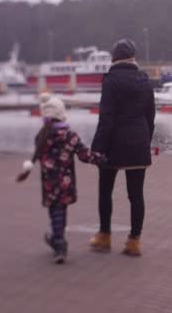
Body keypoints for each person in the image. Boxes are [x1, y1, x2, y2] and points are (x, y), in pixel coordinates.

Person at [17, 93, 106, 264]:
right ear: (61, 113)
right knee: (61, 210)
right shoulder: (69, 135)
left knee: (54, 211)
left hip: (49, 182)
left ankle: (58, 241)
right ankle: (58, 241)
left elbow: (36, 156)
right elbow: (85, 155)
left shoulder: (42, 136)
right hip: (66, 182)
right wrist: (101, 159)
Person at [89, 39, 155, 257]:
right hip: (138, 142)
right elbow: (150, 116)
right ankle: (134, 241)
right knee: (136, 195)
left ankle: (104, 237)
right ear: (133, 57)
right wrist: (146, 140)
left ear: (114, 58)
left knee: (105, 191)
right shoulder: (145, 80)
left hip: (113, 145)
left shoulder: (111, 80)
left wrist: (97, 148)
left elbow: (106, 119)